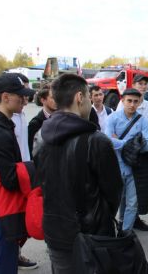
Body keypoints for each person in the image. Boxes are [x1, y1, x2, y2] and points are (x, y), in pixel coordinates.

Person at [34, 74, 122, 273]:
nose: (91, 101)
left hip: (54, 229)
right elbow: (114, 192)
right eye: (90, 97)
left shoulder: (39, 136)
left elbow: (42, 181)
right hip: (92, 235)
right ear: (79, 97)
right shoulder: (96, 141)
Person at [0, 73, 36, 274]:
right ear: (5, 97)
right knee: (4, 263)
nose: (24, 100)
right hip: (2, 210)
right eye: (20, 95)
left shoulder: (5, 125)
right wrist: (32, 169)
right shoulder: (0, 132)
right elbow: (10, 179)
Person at [105, 88, 148, 232]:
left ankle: (125, 233)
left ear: (139, 103)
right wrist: (132, 142)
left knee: (132, 203)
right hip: (115, 168)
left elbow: (146, 145)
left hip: (134, 168)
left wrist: (119, 141)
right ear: (122, 101)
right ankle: (109, 230)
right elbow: (108, 141)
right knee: (114, 201)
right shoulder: (112, 118)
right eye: (129, 101)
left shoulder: (142, 120)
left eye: (135, 101)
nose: (132, 104)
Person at [115, 74, 148, 231]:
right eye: (140, 83)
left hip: (142, 154)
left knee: (140, 188)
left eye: (146, 84)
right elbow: (117, 130)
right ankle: (122, 222)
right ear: (133, 84)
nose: (143, 86)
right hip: (125, 154)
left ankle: (135, 218)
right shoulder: (123, 104)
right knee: (124, 191)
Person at [10, 73, 39, 270]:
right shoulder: (4, 118)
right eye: (22, 93)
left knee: (22, 222)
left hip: (24, 173)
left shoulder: (21, 114)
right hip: (12, 175)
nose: (25, 98)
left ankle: (16, 253)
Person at [28, 83, 57, 159]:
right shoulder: (35, 124)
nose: (57, 100)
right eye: (53, 98)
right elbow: (31, 151)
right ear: (43, 100)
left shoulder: (63, 118)